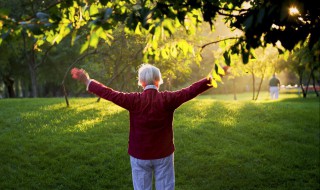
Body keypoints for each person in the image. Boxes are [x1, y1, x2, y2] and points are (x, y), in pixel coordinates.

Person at [70, 64, 213, 190]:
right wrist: (217, 75)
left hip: (139, 155)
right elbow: (192, 90)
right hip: (163, 154)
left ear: (141, 82)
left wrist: (87, 80)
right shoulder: (168, 99)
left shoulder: (134, 100)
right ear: (158, 81)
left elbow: (110, 94)